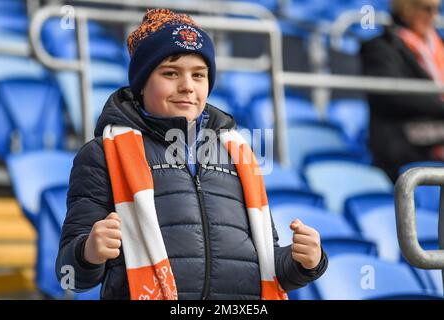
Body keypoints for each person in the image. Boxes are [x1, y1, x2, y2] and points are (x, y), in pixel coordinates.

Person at [56, 8, 327, 300]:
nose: (187, 86)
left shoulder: (239, 152)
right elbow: (68, 274)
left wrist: (305, 262)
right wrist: (89, 253)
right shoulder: (101, 154)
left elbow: (266, 266)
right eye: (170, 73)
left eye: (198, 75)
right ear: (142, 82)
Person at [360, 0, 444, 181]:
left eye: (437, 9)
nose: (433, 16)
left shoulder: (438, 46)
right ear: (407, 8)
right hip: (404, 150)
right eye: (426, 9)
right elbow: (394, 96)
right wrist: (440, 106)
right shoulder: (381, 47)